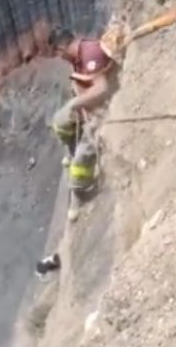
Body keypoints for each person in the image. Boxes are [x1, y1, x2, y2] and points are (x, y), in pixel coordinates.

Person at [47, 25, 121, 222]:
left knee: (79, 165)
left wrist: (75, 104)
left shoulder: (90, 54)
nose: (60, 59)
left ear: (61, 49)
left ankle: (82, 191)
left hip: (101, 114)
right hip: (87, 110)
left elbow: (102, 88)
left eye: (58, 54)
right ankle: (72, 144)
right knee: (59, 122)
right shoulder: (77, 57)